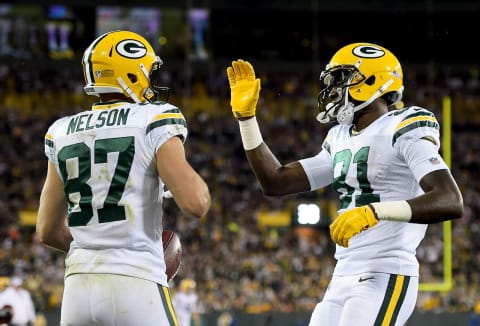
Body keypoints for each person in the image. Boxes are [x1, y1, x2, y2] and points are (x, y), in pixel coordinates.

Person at [226, 42, 463, 325]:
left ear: (372, 81)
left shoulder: (403, 126)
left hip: (386, 272)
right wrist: (247, 120)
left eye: (341, 79)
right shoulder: (339, 138)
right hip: (343, 275)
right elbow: (275, 182)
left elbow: (449, 199)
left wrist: (375, 212)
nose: (332, 90)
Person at [36, 30, 211, 326]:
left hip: (77, 288)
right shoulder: (153, 120)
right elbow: (196, 204)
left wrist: (96, 248)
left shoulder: (61, 131)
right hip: (136, 281)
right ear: (131, 73)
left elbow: (48, 231)